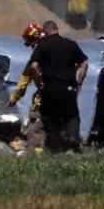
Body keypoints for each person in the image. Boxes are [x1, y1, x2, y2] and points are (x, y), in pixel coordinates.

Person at [28, 21, 88, 152]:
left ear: (45, 31)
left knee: (50, 120)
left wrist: (38, 83)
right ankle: (72, 138)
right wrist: (79, 83)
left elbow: (34, 67)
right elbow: (84, 64)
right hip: (68, 89)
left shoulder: (42, 46)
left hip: (50, 89)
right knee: (72, 116)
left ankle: (54, 149)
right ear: (56, 29)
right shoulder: (71, 44)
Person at [8, 23, 46, 153]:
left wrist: (13, 99)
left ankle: (36, 156)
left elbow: (25, 79)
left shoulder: (37, 56)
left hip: (44, 98)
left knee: (35, 128)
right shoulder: (60, 48)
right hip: (64, 97)